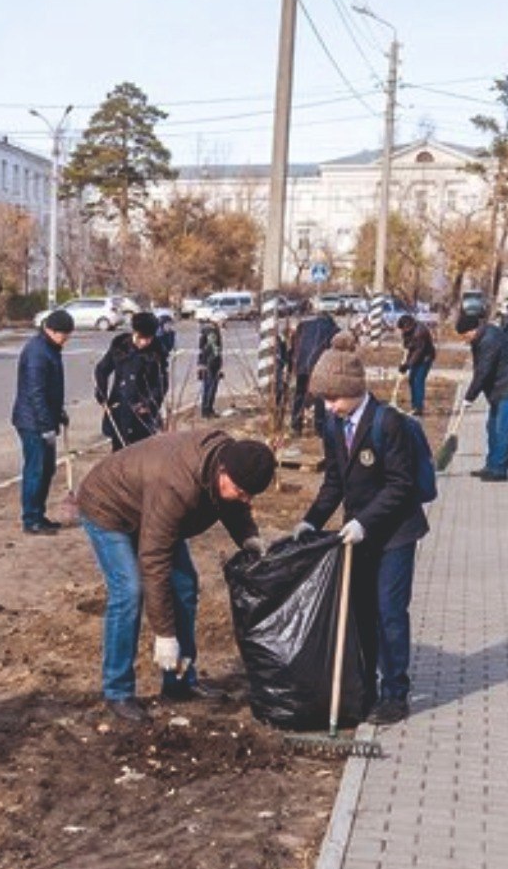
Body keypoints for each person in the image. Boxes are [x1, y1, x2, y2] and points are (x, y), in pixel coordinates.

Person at [75, 429, 274, 722]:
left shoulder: (228, 462)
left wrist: (248, 537)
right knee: (130, 590)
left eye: (249, 495)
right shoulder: (177, 486)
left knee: (184, 586)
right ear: (222, 470)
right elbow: (154, 562)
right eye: (241, 491)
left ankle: (180, 682)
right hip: (109, 507)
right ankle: (118, 691)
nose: (243, 499)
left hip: (150, 508)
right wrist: (164, 635)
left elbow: (231, 503)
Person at [292, 332, 429, 725]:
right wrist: (311, 520)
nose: (330, 407)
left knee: (389, 611)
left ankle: (395, 694)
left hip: (396, 534)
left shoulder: (388, 424)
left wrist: (364, 523)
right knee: (363, 612)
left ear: (353, 390)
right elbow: (334, 481)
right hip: (358, 533)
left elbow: (401, 486)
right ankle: (365, 687)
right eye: (325, 400)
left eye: (334, 399)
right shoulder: (334, 429)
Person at [11, 307, 73, 535]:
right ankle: (31, 519)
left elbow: (50, 389)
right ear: (50, 330)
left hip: (44, 419)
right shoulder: (37, 352)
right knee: (36, 470)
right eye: (63, 334)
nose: (65, 339)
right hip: (33, 422)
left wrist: (58, 413)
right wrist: (47, 425)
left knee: (47, 470)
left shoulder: (50, 348)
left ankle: (39, 514)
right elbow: (36, 393)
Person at [456, 310, 508, 483]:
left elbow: (483, 372)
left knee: (502, 429)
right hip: (498, 389)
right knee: (492, 427)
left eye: (464, 334)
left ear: (473, 329)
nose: (464, 338)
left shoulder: (490, 340)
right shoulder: (481, 337)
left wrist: (469, 397)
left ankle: (500, 470)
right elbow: (479, 370)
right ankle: (491, 465)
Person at [94, 310, 166, 450]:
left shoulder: (156, 353)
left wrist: (149, 403)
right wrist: (102, 394)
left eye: (148, 339)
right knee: (118, 453)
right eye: (141, 338)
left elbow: (161, 384)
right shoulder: (120, 347)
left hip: (142, 414)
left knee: (140, 454)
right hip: (119, 408)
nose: (144, 343)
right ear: (135, 333)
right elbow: (102, 369)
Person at [289, 306, 339, 434]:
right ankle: (320, 427)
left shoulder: (304, 325)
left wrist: (293, 366)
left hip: (301, 364)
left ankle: (295, 425)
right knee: (320, 396)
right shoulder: (332, 329)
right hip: (319, 366)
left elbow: (294, 345)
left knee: (299, 394)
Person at [396, 314, 436, 416]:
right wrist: (405, 362)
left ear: (408, 325)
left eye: (403, 329)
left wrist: (407, 365)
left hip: (425, 358)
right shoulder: (407, 331)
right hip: (416, 356)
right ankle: (414, 405)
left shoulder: (420, 332)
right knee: (411, 379)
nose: (402, 332)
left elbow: (418, 352)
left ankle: (418, 408)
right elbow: (407, 346)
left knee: (418, 380)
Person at [197, 316, 224, 418]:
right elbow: (213, 349)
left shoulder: (209, 331)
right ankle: (207, 410)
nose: (223, 322)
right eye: (222, 320)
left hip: (208, 363)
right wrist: (216, 363)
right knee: (210, 387)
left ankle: (207, 409)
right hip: (211, 364)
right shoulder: (212, 333)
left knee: (208, 387)